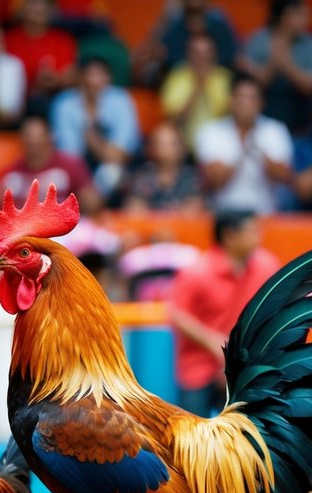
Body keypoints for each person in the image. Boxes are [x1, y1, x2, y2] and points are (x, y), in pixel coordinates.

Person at [167, 210, 278, 417]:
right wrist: (212, 342)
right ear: (229, 236)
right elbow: (177, 315)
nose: (258, 236)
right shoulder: (197, 272)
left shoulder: (266, 266)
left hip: (246, 366)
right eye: (251, 230)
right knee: (193, 436)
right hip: (199, 367)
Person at [195, 75, 294, 213]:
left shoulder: (276, 130)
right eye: (241, 97)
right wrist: (242, 148)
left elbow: (284, 177)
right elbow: (214, 181)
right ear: (231, 101)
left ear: (261, 103)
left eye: (252, 97)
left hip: (266, 214)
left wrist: (257, 148)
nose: (246, 103)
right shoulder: (211, 131)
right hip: (224, 216)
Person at [49, 57, 140, 200]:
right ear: (79, 78)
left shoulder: (121, 100)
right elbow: (70, 158)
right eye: (89, 75)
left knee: (112, 173)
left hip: (112, 171)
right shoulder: (64, 104)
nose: (94, 82)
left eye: (100, 75)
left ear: (108, 78)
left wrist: (91, 136)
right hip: (77, 174)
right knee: (58, 177)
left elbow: (118, 156)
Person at [238, 0, 312, 134]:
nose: (307, 20)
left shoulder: (311, 44)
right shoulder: (259, 40)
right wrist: (273, 64)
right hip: (262, 120)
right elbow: (248, 81)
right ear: (285, 17)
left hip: (301, 121)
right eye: (301, 15)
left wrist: (286, 64)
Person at [0, 114, 102, 214]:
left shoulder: (70, 165)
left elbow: (91, 201)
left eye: (38, 137)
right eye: (29, 137)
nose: (33, 142)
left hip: (65, 225)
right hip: (25, 228)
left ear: (50, 137)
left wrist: (87, 200)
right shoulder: (11, 173)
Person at [160, 31, 232, 148]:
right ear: (189, 54)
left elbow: (226, 117)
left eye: (207, 52)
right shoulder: (177, 77)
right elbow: (175, 119)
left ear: (214, 53)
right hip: (183, 147)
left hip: (219, 147)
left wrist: (207, 84)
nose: (203, 58)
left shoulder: (225, 78)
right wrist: (198, 87)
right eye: (197, 53)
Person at [4, 0, 78, 110]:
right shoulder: (8, 40)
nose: (38, 7)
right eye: (32, 3)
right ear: (22, 8)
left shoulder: (63, 40)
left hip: (53, 101)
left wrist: (55, 80)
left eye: (43, 3)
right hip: (14, 103)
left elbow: (71, 77)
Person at [124, 122, 204, 212]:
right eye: (161, 143)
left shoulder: (190, 176)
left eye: (171, 143)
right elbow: (134, 208)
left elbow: (194, 208)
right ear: (151, 148)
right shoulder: (144, 175)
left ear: (181, 148)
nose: (165, 149)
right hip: (149, 225)